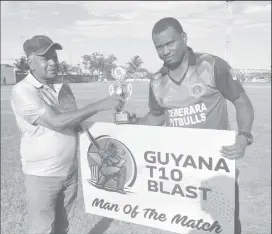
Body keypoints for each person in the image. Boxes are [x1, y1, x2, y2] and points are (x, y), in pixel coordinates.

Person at [133, 17, 255, 234]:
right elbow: (157, 117)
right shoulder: (157, 81)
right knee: (187, 226)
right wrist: (129, 124)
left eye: (170, 43)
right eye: (159, 47)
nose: (165, 51)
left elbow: (241, 101)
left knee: (223, 226)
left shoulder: (211, 65)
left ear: (184, 38)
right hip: (180, 171)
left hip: (216, 165)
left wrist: (244, 136)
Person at [11, 35, 124, 234]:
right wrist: (99, 105)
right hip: (42, 176)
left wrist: (120, 127)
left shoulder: (63, 87)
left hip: (69, 173)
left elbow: (75, 122)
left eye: (54, 56)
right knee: (42, 230)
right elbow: (56, 121)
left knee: (63, 228)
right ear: (30, 62)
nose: (53, 62)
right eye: (45, 58)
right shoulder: (23, 90)